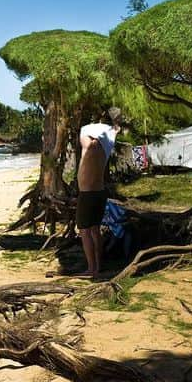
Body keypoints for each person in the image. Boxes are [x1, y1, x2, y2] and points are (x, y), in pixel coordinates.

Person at [76, 107, 121, 278]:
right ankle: (97, 266)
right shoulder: (110, 137)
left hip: (87, 193)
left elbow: (88, 144)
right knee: (94, 230)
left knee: (85, 230)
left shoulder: (90, 139)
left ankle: (91, 269)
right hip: (99, 191)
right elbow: (117, 127)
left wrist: (85, 133)